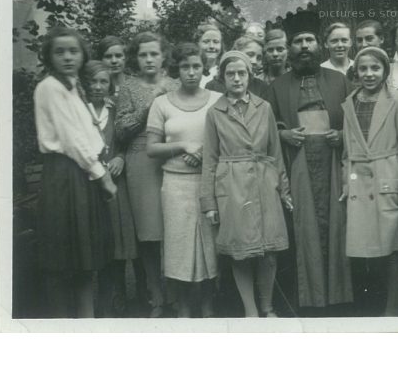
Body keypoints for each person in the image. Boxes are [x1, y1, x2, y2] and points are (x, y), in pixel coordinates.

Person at [265, 10, 353, 312]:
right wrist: (284, 134)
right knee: (300, 231)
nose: (304, 46)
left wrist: (342, 136)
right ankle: (306, 300)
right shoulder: (277, 87)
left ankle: (339, 300)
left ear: (319, 46)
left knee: (336, 227)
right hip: (296, 167)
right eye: (298, 41)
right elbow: (269, 127)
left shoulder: (340, 81)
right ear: (290, 48)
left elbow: (353, 124)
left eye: (309, 40)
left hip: (331, 166)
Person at [200, 51, 292, 317]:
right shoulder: (215, 113)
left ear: (250, 76)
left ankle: (268, 307)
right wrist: (209, 201)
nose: (237, 78)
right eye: (230, 74)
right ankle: (251, 311)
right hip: (232, 186)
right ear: (222, 78)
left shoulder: (263, 107)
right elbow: (210, 159)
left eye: (242, 73)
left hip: (264, 184)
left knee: (269, 250)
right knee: (241, 253)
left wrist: (283, 190)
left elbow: (275, 152)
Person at [34, 27, 116, 318]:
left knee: (84, 260)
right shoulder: (50, 88)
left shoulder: (71, 87)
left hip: (81, 175)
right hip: (64, 176)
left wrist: (99, 164)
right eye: (60, 51)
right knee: (62, 262)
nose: (68, 57)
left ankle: (86, 321)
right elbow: (71, 139)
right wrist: (102, 175)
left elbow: (87, 132)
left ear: (83, 55)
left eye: (74, 51)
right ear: (48, 56)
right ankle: (63, 325)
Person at [340, 47, 398, 316]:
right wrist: (346, 182)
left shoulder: (397, 101)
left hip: (388, 179)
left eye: (375, 68)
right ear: (356, 72)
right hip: (359, 185)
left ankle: (392, 306)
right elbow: (347, 150)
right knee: (364, 248)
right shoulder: (350, 101)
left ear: (385, 70)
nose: (369, 74)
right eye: (363, 69)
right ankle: (371, 304)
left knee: (392, 248)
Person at [146, 43, 220, 317]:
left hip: (208, 183)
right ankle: (184, 308)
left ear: (204, 68)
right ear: (176, 69)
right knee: (178, 247)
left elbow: (225, 141)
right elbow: (151, 149)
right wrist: (183, 147)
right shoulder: (161, 103)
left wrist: (202, 152)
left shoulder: (216, 99)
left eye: (196, 66)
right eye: (185, 66)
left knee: (207, 246)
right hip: (175, 184)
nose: (191, 72)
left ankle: (208, 306)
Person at [115, 31, 178, 317]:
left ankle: (178, 292)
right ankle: (156, 295)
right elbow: (121, 130)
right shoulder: (128, 87)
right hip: (140, 160)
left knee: (176, 229)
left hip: (174, 158)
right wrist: (148, 104)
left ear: (164, 55)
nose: (149, 59)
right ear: (135, 59)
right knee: (150, 234)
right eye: (143, 54)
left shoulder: (176, 84)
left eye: (154, 53)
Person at [82, 60, 140, 317]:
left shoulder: (115, 110)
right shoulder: (78, 111)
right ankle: (96, 303)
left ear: (109, 84)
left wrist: (121, 157)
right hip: (88, 186)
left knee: (118, 241)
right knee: (95, 243)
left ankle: (118, 297)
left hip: (115, 184)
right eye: (92, 81)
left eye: (103, 81)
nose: (97, 86)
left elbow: (129, 140)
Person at [194, 24, 224, 88]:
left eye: (216, 42)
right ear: (197, 44)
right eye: (206, 41)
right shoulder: (188, 72)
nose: (211, 46)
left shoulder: (224, 73)